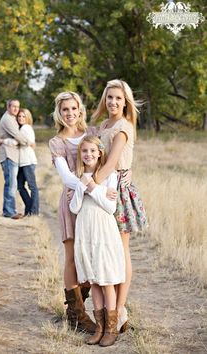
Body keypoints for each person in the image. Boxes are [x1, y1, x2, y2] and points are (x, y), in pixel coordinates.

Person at [91, 79, 148, 332]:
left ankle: (120, 309)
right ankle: (107, 306)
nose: (113, 102)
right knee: (106, 250)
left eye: (118, 98)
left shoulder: (124, 127)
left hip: (117, 193)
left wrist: (86, 186)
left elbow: (113, 162)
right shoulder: (104, 125)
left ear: (126, 102)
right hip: (103, 189)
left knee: (121, 250)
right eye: (110, 97)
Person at [49, 92, 98, 333]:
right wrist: (90, 184)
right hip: (72, 201)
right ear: (60, 113)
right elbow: (67, 177)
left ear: (80, 110)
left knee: (90, 254)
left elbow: (106, 159)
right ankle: (76, 314)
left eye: (73, 108)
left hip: (94, 202)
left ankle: (85, 309)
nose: (69, 113)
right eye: (65, 109)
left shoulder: (91, 134)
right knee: (71, 255)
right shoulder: (57, 142)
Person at [69, 135, 125, 347]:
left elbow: (110, 207)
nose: (89, 155)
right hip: (86, 231)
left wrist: (93, 187)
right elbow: (74, 207)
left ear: (100, 152)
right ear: (80, 155)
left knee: (106, 279)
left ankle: (111, 328)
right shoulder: (80, 176)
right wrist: (82, 186)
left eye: (93, 151)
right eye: (85, 151)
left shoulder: (109, 177)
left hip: (103, 231)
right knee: (93, 280)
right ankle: (99, 327)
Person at [0, 108, 39, 216]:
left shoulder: (25, 128)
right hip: (22, 162)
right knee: (20, 186)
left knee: (32, 187)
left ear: (28, 118)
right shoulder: (21, 128)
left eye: (23, 116)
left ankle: (34, 212)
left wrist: (3, 141)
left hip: (28, 162)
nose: (21, 118)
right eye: (19, 116)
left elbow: (16, 142)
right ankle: (29, 208)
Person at [0, 99, 30, 220]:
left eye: (18, 107)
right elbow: (18, 136)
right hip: (8, 155)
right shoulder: (7, 119)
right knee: (11, 184)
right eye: (14, 107)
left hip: (12, 155)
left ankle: (10, 210)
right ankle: (9, 212)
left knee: (12, 183)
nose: (16, 109)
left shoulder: (12, 118)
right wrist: (28, 142)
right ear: (8, 107)